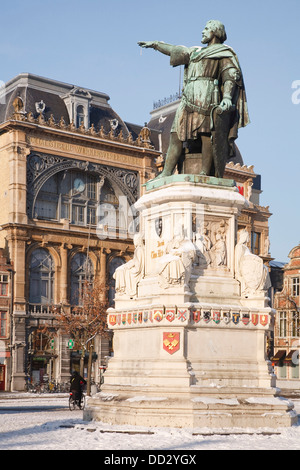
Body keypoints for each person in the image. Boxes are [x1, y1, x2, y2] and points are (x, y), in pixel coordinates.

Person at [138, 20, 249, 179]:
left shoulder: (224, 53)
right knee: (176, 134)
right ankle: (167, 171)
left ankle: (205, 171)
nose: (202, 32)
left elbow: (230, 76)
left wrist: (226, 97)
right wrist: (156, 45)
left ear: (214, 32)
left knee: (205, 135)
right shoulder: (195, 52)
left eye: (206, 29)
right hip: (188, 98)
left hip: (207, 96)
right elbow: (175, 50)